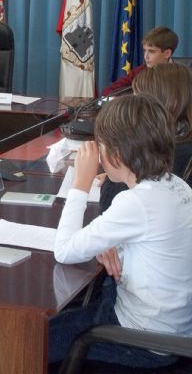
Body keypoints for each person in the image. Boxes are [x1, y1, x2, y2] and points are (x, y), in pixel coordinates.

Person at [49, 94, 192, 368]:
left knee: (33, 341)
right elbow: (149, 239)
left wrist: (80, 183)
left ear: (116, 154)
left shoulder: (136, 202)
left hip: (141, 342)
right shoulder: (176, 185)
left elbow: (64, 250)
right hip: (173, 329)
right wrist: (110, 241)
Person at [99, 62, 192, 211]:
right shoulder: (182, 139)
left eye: (138, 99)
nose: (134, 106)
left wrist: (118, 178)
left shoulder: (161, 151)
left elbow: (108, 207)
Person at [102, 26, 178, 96]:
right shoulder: (140, 71)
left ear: (167, 53)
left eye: (152, 51)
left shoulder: (180, 76)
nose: (146, 56)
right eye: (144, 51)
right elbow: (109, 91)